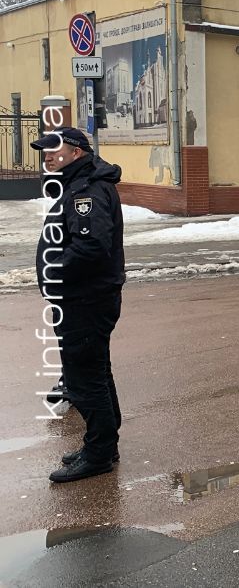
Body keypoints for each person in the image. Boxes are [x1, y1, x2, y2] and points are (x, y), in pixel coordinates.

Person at [31, 127, 125, 483]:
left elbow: (91, 247)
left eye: (55, 150)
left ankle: (99, 453)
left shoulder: (85, 191)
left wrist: (54, 271)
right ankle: (103, 444)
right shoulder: (79, 184)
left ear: (77, 153)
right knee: (95, 372)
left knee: (85, 379)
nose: (48, 156)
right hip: (85, 297)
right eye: (45, 151)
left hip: (85, 300)